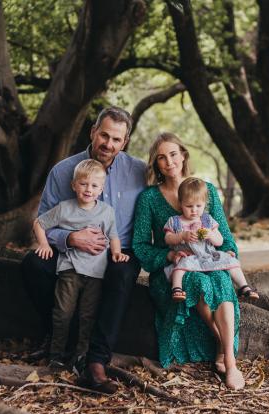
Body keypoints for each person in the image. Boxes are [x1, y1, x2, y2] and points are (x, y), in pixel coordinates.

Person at [21, 106, 146, 394]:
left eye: (116, 139)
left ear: (124, 142)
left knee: (123, 274)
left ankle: (96, 361)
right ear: (93, 132)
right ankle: (62, 337)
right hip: (70, 252)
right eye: (104, 135)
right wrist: (71, 238)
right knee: (33, 266)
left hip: (118, 250)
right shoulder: (64, 171)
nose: (108, 144)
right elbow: (45, 223)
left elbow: (166, 197)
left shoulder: (139, 171)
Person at [132, 132, 246, 390]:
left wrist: (227, 253)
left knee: (219, 278)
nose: (168, 161)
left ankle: (229, 360)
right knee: (196, 282)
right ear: (156, 164)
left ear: (183, 155)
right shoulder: (149, 199)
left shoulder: (206, 191)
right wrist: (168, 255)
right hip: (173, 272)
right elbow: (140, 244)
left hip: (209, 261)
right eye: (161, 158)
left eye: (173, 154)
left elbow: (225, 238)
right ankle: (224, 344)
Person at [32, 159, 130, 368]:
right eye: (84, 184)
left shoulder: (106, 211)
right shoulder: (65, 208)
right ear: (74, 185)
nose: (88, 189)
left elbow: (113, 236)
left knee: (88, 315)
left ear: (101, 189)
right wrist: (44, 245)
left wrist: (117, 253)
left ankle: (81, 356)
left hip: (96, 273)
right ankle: (56, 356)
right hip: (70, 271)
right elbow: (39, 223)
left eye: (94, 186)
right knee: (63, 313)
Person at [164, 177, 259, 303]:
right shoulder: (175, 221)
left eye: (198, 206)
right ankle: (177, 289)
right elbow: (167, 238)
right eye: (189, 206)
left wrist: (210, 235)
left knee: (230, 261)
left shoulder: (207, 220)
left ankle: (244, 287)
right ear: (181, 203)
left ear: (204, 204)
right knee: (180, 267)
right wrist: (181, 236)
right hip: (188, 256)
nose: (194, 210)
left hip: (209, 255)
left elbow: (219, 241)